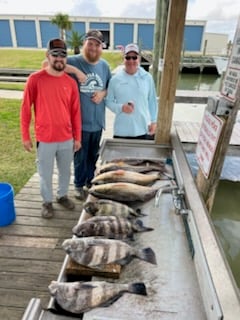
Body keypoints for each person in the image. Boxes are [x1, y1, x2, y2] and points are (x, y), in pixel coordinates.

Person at [20, 38, 82, 218]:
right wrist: (25, 135)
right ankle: (46, 202)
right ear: (48, 56)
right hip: (45, 138)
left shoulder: (70, 83)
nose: (59, 59)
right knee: (45, 174)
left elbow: (76, 112)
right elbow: (25, 108)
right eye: (55, 55)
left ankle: (62, 195)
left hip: (66, 138)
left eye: (63, 55)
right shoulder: (35, 79)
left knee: (66, 171)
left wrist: (77, 137)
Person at [64, 29, 112, 200]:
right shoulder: (73, 61)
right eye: (90, 43)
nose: (93, 47)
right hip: (79, 123)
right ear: (84, 44)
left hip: (97, 122)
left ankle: (89, 181)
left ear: (102, 47)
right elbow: (47, 64)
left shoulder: (104, 66)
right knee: (80, 156)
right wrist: (76, 72)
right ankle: (78, 184)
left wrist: (103, 93)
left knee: (93, 155)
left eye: (97, 44)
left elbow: (109, 88)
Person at [105, 43, 157, 139]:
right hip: (121, 132)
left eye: (134, 57)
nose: (131, 60)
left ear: (139, 59)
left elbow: (152, 102)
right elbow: (108, 102)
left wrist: (154, 121)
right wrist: (121, 108)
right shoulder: (115, 79)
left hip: (143, 130)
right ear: (123, 59)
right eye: (128, 57)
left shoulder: (147, 77)